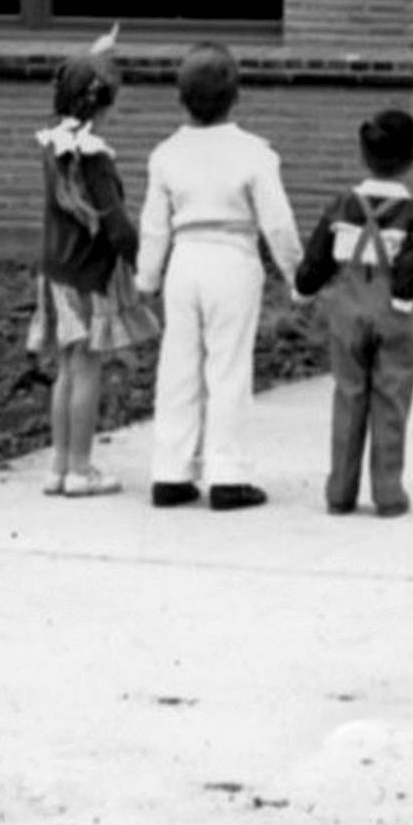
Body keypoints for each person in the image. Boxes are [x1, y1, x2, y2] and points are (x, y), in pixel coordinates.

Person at [136, 42, 303, 512]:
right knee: (228, 366)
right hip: (232, 258)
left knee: (178, 365)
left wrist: (146, 278)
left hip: (184, 260)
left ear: (180, 98)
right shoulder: (255, 153)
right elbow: (277, 222)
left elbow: (153, 224)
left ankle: (171, 471)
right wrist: (296, 275)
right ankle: (228, 473)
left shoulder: (165, 154)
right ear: (237, 96)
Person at [27, 31, 157, 497]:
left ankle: (59, 465)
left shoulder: (55, 144)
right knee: (87, 368)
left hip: (56, 271)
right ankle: (82, 469)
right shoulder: (94, 158)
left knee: (66, 367)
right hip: (88, 273)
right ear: (102, 105)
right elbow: (118, 227)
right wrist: (147, 268)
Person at [293, 109, 413, 518]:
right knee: (390, 399)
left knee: (348, 395)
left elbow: (317, 257)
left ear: (362, 154)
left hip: (347, 309)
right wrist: (406, 300)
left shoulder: (341, 206)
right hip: (392, 310)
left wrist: (303, 288)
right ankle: (388, 492)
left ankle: (340, 490)